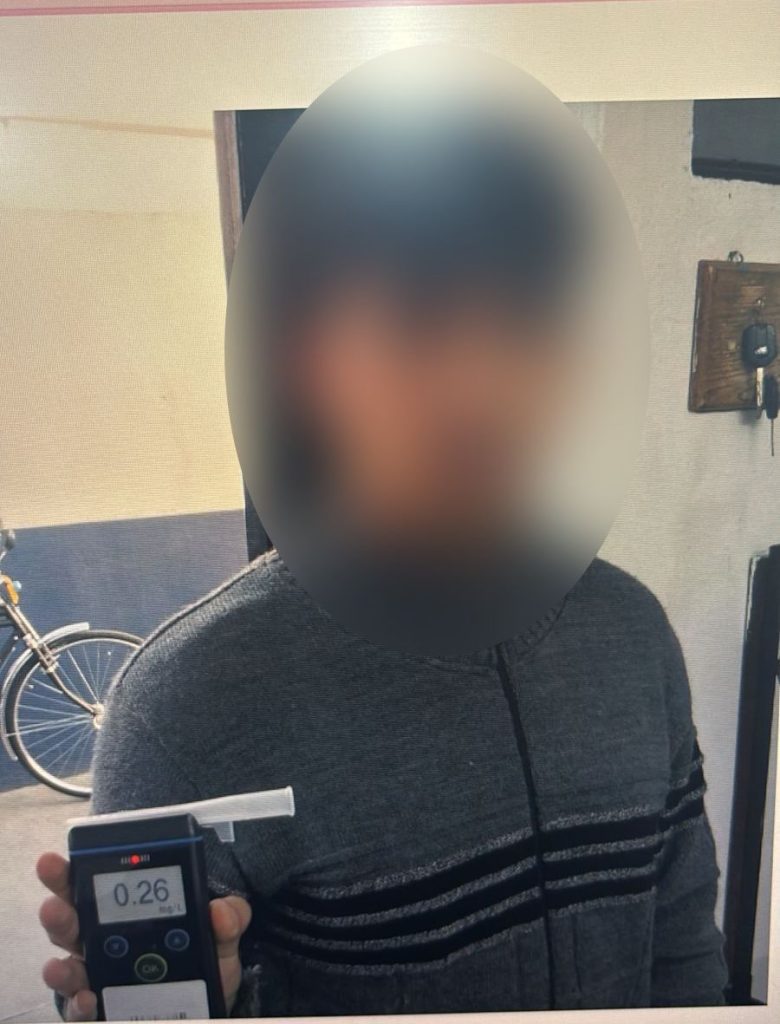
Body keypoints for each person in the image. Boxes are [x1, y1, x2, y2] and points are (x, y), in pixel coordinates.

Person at [36, 91, 727, 1019]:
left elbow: (684, 953)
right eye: (417, 317)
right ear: (310, 361)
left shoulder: (634, 635)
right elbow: (149, 997)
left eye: (529, 319)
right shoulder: (186, 708)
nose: (481, 388)